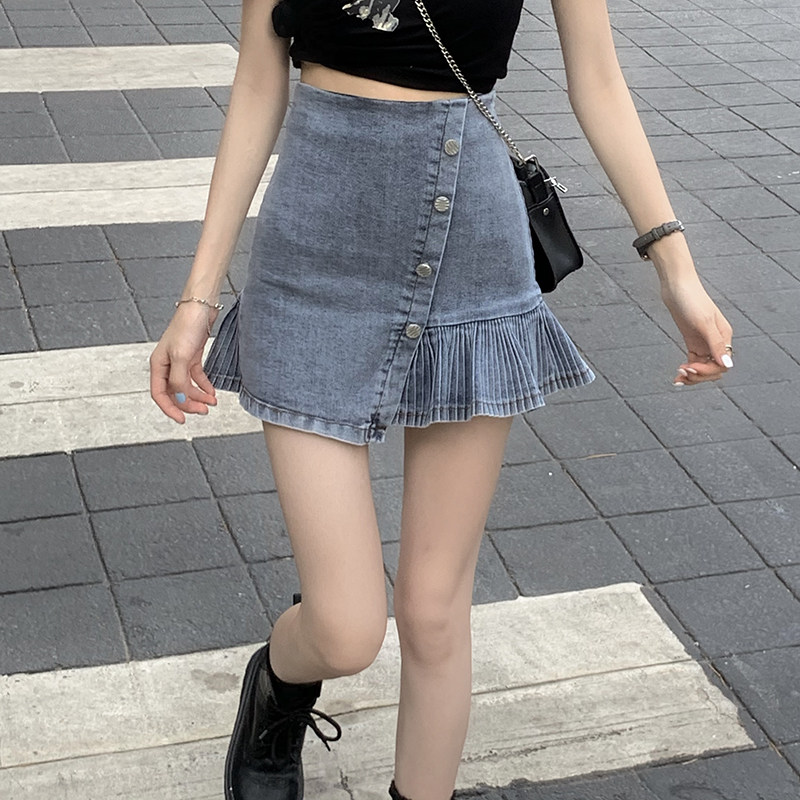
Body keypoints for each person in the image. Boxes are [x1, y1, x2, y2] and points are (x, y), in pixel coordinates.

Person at [149, 1, 735, 799]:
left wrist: (676, 270)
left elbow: (598, 79)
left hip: (471, 249)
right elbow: (258, 83)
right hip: (314, 258)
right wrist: (197, 297)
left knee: (432, 612)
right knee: (346, 629)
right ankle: (277, 689)